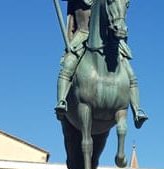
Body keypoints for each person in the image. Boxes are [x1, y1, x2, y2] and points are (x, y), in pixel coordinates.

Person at [55, 0, 148, 128]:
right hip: (83, 34)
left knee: (129, 72)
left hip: (109, 37)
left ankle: (137, 110)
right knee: (68, 63)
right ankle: (62, 101)